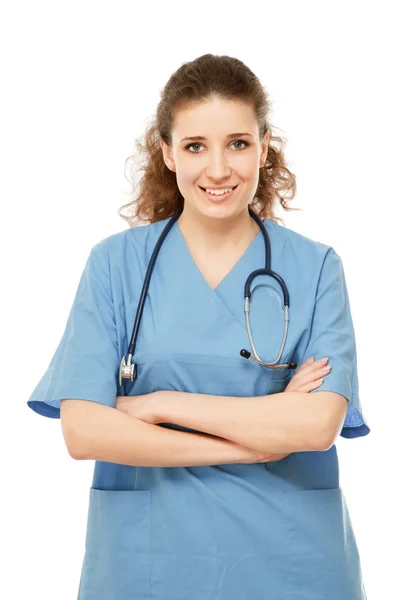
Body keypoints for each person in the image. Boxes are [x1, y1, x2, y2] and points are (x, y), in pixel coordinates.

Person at [27, 53, 370, 599]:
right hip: (148, 565)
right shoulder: (116, 265)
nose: (217, 170)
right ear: (166, 153)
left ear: (263, 146)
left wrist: (158, 404)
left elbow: (313, 427)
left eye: (237, 143)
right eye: (195, 146)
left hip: (290, 563)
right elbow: (84, 431)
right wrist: (255, 439)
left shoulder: (316, 267)